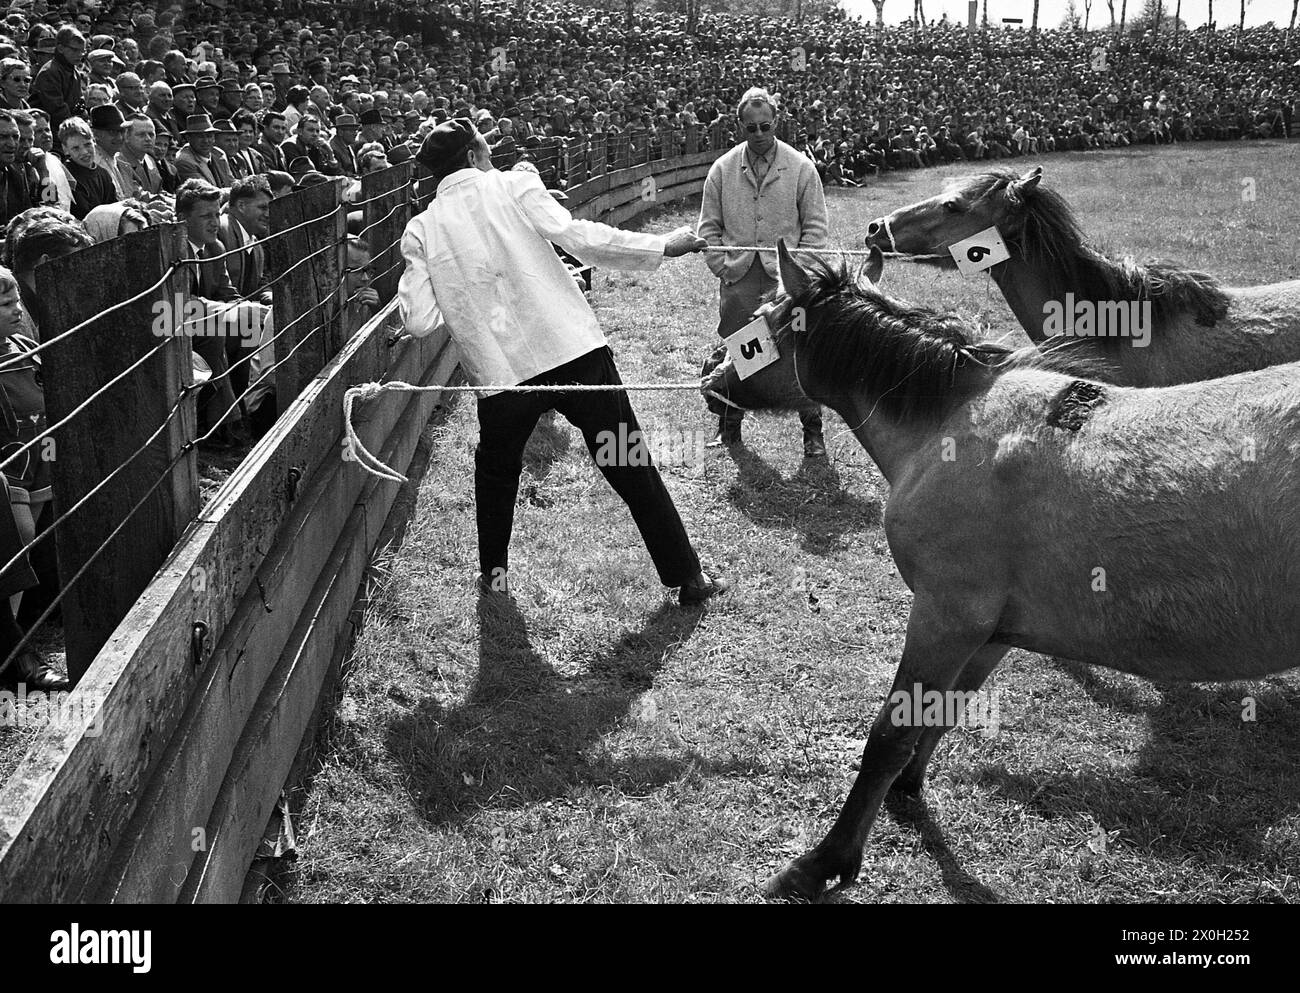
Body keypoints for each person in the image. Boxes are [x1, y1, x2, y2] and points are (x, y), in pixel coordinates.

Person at [397, 118, 729, 605]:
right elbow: (578, 238)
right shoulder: (514, 184)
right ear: (472, 155)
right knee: (627, 458)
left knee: (496, 473)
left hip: (502, 372)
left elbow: (420, 319)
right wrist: (661, 245)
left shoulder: (421, 228)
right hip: (570, 350)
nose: (493, 157)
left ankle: (494, 577)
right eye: (488, 149)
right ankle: (687, 578)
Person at [697, 86, 829, 457]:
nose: (758, 134)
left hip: (788, 283)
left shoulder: (801, 167)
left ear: (776, 122)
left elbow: (816, 228)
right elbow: (708, 227)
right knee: (740, 351)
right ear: (740, 126)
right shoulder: (722, 169)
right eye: (750, 128)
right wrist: (722, 265)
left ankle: (813, 433)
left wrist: (801, 275)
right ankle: (729, 427)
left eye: (765, 126)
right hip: (740, 279)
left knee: (801, 351)